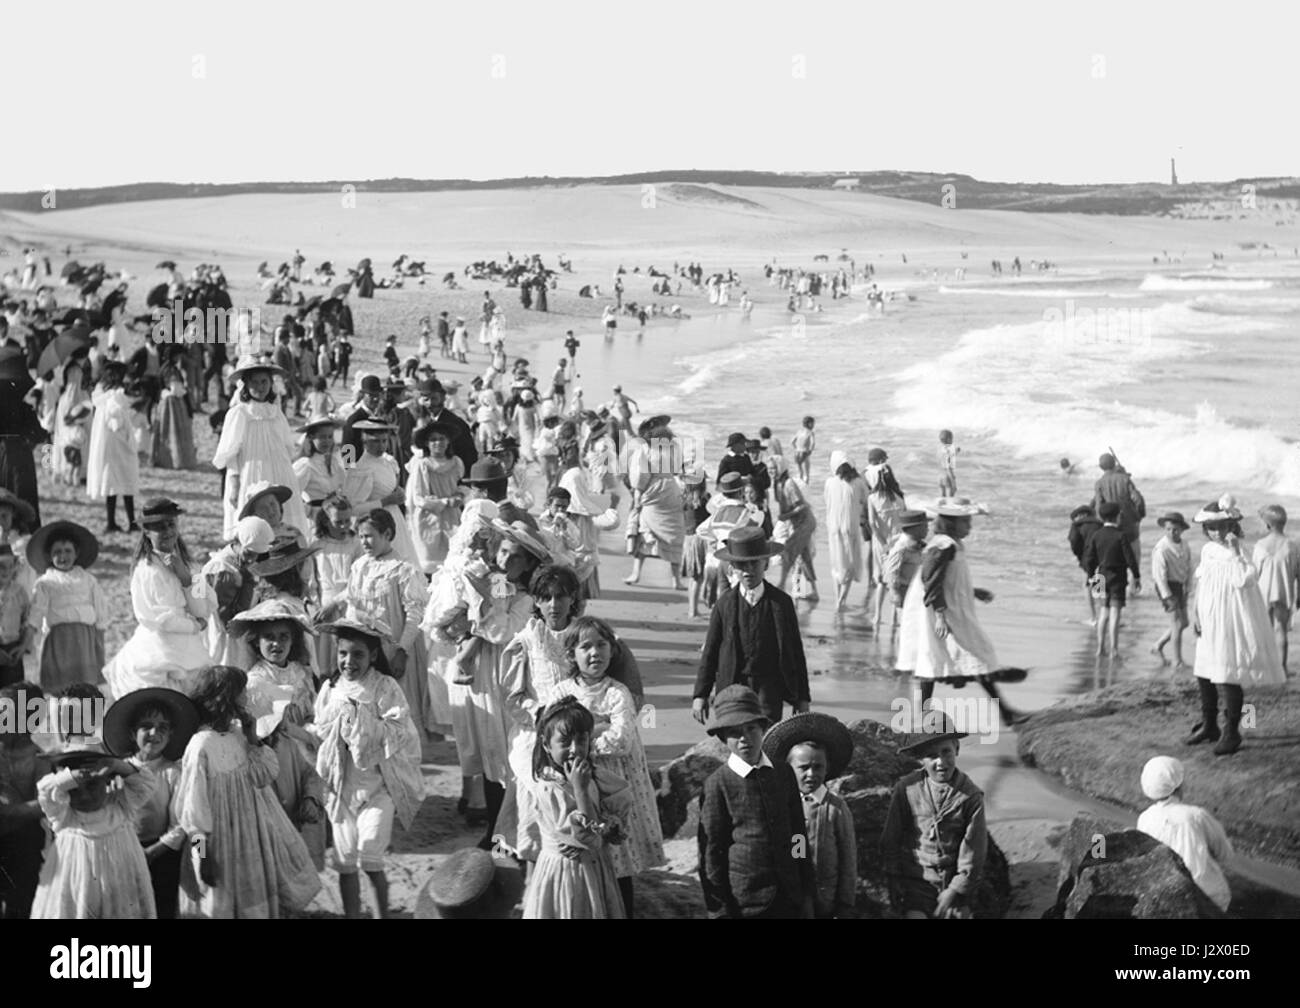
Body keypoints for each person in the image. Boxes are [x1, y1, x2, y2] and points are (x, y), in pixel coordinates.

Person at [173, 665, 322, 918]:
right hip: (219, 844)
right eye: (242, 693)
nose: (247, 698)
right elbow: (193, 813)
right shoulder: (201, 746)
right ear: (225, 699)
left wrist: (253, 737)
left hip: (251, 837)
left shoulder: (239, 735)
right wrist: (203, 858)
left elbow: (264, 775)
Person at [550, 616, 663, 916]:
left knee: (616, 854)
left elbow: (621, 740)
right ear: (571, 654)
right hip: (577, 782)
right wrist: (598, 726)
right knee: (581, 847)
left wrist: (584, 741)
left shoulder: (617, 692)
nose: (594, 653)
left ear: (612, 651)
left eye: (601, 645)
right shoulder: (562, 692)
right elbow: (553, 735)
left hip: (614, 782)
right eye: (585, 646)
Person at [313, 619, 423, 919]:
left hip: (377, 787)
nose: (349, 662)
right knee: (346, 859)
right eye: (343, 654)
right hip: (341, 787)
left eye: (358, 654)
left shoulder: (384, 687)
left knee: (370, 854)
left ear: (373, 655)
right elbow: (321, 729)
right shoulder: (330, 688)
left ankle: (380, 915)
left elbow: (401, 729)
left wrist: (362, 723)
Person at [897, 498, 1026, 727]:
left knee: (944, 658)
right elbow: (930, 579)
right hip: (939, 608)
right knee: (965, 654)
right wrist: (939, 615)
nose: (970, 526)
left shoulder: (950, 544)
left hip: (944, 605)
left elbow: (946, 578)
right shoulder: (943, 546)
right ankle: (1004, 712)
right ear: (952, 523)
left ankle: (1004, 712)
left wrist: (973, 591)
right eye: (966, 521)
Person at [697, 684, 813, 919]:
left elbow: (797, 835)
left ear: (763, 728)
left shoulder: (784, 773)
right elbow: (711, 854)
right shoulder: (717, 784)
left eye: (751, 728)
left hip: (789, 895)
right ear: (722, 737)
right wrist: (719, 910)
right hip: (746, 902)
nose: (744, 738)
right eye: (734, 732)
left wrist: (806, 890)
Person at [319, 508, 431, 740]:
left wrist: (402, 650)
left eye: (369, 536)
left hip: (392, 645)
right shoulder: (360, 565)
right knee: (362, 692)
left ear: (387, 534)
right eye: (361, 536)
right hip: (364, 643)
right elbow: (352, 593)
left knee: (392, 698)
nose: (364, 542)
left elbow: (414, 614)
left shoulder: (403, 569)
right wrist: (333, 604)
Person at [1186, 495, 1285, 756]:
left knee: (1228, 673)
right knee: (1204, 672)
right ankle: (1209, 725)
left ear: (1232, 526)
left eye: (1222, 527)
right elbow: (1202, 582)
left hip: (1231, 618)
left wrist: (1236, 551)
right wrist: (1196, 612)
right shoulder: (1207, 551)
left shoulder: (1239, 552)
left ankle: (1232, 731)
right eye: (1212, 528)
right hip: (1209, 614)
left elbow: (1245, 580)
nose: (1217, 532)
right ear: (1206, 530)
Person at [515, 696, 631, 919]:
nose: (575, 749)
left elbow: (617, 806)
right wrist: (580, 790)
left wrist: (608, 829)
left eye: (582, 740)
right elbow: (585, 837)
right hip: (566, 872)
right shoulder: (551, 788)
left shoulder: (593, 775)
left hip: (593, 868)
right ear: (547, 745)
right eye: (565, 742)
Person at [31, 725, 158, 919]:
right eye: (74, 790)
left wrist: (115, 766)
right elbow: (46, 791)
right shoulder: (65, 817)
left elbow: (146, 783)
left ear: (107, 781)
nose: (84, 795)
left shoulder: (120, 807)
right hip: (75, 880)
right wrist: (71, 778)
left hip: (120, 882)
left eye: (91, 786)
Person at [693, 527, 811, 726]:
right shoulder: (725, 604)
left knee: (767, 738)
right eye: (741, 565)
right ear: (732, 567)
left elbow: (795, 651)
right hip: (732, 686)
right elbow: (711, 652)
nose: (748, 571)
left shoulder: (781, 603)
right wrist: (700, 694)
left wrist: (802, 698)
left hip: (769, 688)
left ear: (765, 563)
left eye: (754, 563)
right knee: (735, 738)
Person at [881, 710, 987, 919]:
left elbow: (974, 851)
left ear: (956, 748)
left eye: (946, 751)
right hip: (917, 881)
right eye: (931, 755)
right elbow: (891, 838)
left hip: (954, 882)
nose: (940, 762)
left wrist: (955, 889)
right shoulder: (907, 789)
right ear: (920, 758)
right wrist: (893, 877)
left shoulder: (970, 796)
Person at [105, 686, 199, 920]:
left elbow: (181, 823)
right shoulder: (119, 769)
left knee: (160, 906)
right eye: (146, 726)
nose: (154, 733)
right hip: (123, 849)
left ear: (170, 735)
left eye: (162, 728)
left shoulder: (172, 772)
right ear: (132, 733)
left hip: (161, 852)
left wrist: (153, 852)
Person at [103, 499, 212, 699]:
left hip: (188, 644)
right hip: (161, 646)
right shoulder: (147, 570)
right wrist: (194, 626)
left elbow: (201, 608)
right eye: (160, 527)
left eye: (171, 524)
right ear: (146, 531)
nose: (168, 531)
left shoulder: (188, 564)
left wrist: (186, 579)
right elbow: (155, 619)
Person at [763, 711, 857, 919]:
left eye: (818, 767)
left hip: (827, 901)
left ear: (828, 768)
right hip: (791, 901)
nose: (811, 774)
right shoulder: (782, 808)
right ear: (788, 769)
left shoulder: (836, 808)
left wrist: (845, 904)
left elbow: (848, 860)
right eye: (803, 768)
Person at [212, 356, 308, 539]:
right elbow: (231, 452)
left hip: (279, 471)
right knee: (256, 519)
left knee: (281, 515)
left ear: (271, 383)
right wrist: (233, 481)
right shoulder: (239, 413)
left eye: (264, 381)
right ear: (245, 385)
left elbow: (287, 447)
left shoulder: (276, 412)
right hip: (252, 472)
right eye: (254, 382)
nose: (260, 387)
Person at [1136, 756, 1234, 912]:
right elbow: (1225, 854)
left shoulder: (1144, 819)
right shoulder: (1196, 816)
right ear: (1179, 786)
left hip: (1166, 895)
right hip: (1208, 896)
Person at [26, 521, 107, 691]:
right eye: (57, 552)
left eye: (68, 551)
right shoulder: (45, 582)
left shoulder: (88, 579)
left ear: (76, 553)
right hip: (59, 640)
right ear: (49, 556)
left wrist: (99, 638)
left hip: (85, 639)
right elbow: (37, 611)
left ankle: (87, 716)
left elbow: (100, 609)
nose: (63, 556)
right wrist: (28, 636)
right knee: (61, 687)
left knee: (85, 686)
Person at [0, 681, 46, 918]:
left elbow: (45, 804)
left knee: (20, 904)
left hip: (23, 843)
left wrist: (8, 811)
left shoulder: (39, 758)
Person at [623, 415, 685, 588]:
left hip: (653, 491)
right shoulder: (674, 447)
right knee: (674, 534)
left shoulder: (645, 450)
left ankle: (636, 574)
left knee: (644, 531)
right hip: (672, 490)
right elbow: (680, 469)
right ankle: (676, 580)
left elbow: (640, 475)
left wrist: (637, 494)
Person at [347, 420, 417, 565]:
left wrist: (398, 492)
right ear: (365, 442)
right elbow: (353, 509)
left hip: (395, 518)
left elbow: (391, 486)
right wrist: (385, 501)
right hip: (374, 524)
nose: (381, 446)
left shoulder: (388, 462)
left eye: (384, 441)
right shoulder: (361, 469)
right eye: (375, 441)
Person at [85, 360, 140, 533]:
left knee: (111, 483)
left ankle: (111, 522)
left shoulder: (100, 395)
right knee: (127, 480)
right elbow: (116, 421)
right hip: (118, 444)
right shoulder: (115, 395)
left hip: (105, 444)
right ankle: (131, 522)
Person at [405, 422, 464, 574]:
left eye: (442, 438)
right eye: (433, 439)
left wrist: (460, 495)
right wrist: (349, 469)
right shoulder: (422, 465)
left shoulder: (456, 463)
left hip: (451, 516)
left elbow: (460, 485)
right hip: (429, 517)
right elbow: (418, 497)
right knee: (429, 563)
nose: (438, 443)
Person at [1252, 504, 1300, 674]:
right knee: (1282, 631)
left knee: (1263, 630)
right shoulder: (1292, 546)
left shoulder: (1260, 545)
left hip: (1263, 593)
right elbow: (1298, 574)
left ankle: (1263, 666)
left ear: (1267, 525)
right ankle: (1283, 667)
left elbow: (1254, 573)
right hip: (1283, 592)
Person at [863, 448, 906, 629]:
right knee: (896, 581)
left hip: (881, 543)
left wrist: (882, 543)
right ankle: (896, 619)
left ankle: (878, 616)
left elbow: (872, 524)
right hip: (898, 542)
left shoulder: (873, 498)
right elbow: (905, 521)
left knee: (880, 580)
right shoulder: (899, 498)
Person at [824, 451, 867, 611]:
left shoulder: (829, 482)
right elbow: (865, 500)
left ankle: (838, 599)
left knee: (837, 564)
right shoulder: (858, 482)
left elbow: (827, 502)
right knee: (850, 563)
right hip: (851, 527)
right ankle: (842, 600)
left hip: (833, 527)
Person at [768, 454, 816, 597]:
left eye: (773, 468)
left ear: (780, 468)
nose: (770, 471)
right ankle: (814, 591)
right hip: (795, 523)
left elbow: (802, 505)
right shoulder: (777, 484)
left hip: (805, 522)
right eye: (769, 469)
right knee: (805, 556)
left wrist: (786, 517)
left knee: (788, 551)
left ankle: (782, 584)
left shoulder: (788, 484)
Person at [1151, 511, 1192, 668]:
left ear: (1181, 529)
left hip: (1180, 585)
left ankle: (1158, 645)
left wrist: (1188, 588)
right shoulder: (1161, 548)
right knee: (1175, 623)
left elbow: (1189, 567)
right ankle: (1177, 659)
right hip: (1167, 586)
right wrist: (1167, 595)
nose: (1172, 532)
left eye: (1175, 529)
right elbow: (1159, 576)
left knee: (1184, 622)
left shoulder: (1185, 544)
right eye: (1168, 529)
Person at [292, 415, 347, 519]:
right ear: (311, 438)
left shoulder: (333, 461)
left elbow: (344, 485)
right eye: (322, 437)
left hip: (334, 516)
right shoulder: (306, 464)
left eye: (330, 437)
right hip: (316, 518)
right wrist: (307, 510)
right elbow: (292, 494)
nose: (327, 441)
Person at [883, 510, 929, 633]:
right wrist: (894, 592)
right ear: (914, 529)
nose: (928, 529)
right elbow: (891, 572)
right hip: (904, 592)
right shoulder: (901, 547)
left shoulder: (919, 545)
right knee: (908, 628)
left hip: (916, 592)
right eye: (925, 526)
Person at [1092, 452, 1145, 553]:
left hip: (1112, 530)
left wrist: (1103, 525)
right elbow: (1138, 500)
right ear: (1114, 463)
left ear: (1101, 467)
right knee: (1134, 563)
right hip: (1130, 528)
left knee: (1117, 564)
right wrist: (1139, 516)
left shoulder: (1099, 483)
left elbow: (1099, 508)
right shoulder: (1125, 479)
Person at [680, 473, 712, 619]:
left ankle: (692, 608)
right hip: (699, 540)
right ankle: (693, 610)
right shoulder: (705, 499)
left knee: (694, 577)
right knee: (697, 577)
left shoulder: (684, 499)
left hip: (688, 539)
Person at [1067, 504, 1103, 624]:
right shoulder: (1100, 524)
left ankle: (1093, 617)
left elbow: (1073, 542)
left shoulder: (1077, 526)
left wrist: (1080, 556)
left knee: (1087, 586)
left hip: (1087, 559)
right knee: (1099, 585)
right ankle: (1103, 615)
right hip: (1102, 558)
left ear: (1081, 515)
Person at [792, 416, 816, 483]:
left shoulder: (799, 431)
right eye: (813, 423)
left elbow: (792, 442)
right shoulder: (810, 432)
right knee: (807, 473)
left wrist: (795, 449)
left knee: (800, 471)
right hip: (804, 452)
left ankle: (800, 482)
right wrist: (810, 451)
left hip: (797, 452)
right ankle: (806, 485)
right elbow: (813, 443)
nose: (814, 425)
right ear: (809, 423)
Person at [938, 429, 959, 497]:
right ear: (949, 439)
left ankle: (940, 506)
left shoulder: (941, 450)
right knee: (951, 495)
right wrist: (953, 483)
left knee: (942, 496)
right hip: (947, 476)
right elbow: (948, 467)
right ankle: (949, 505)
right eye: (952, 438)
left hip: (940, 476)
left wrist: (955, 452)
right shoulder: (949, 451)